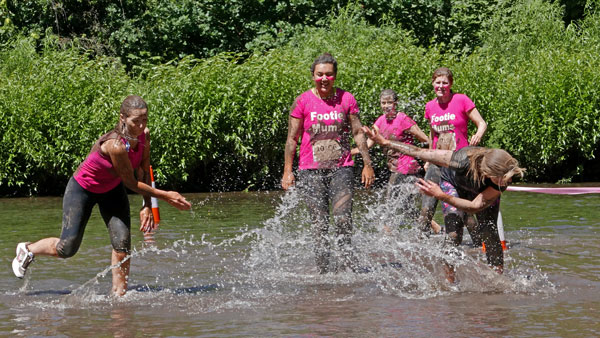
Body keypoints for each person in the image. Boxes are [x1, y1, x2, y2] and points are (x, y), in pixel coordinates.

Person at [11, 95, 192, 296]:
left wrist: (147, 204)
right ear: (122, 117)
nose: (141, 126)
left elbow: (142, 170)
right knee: (67, 248)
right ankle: (28, 249)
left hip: (111, 190)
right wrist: (166, 195)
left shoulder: (144, 136)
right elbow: (130, 182)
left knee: (122, 245)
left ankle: (119, 298)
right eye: (135, 121)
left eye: (144, 120)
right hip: (83, 189)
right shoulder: (115, 145)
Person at [362, 126, 525, 279]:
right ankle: (450, 280)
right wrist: (385, 142)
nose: (505, 182)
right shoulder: (461, 160)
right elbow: (420, 152)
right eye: (501, 178)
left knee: (489, 232)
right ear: (487, 171)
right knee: (453, 234)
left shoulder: (501, 178)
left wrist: (442, 197)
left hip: (478, 195)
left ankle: (496, 278)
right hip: (452, 183)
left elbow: (475, 207)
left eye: (507, 179)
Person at [281, 52, 375, 274]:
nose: (324, 79)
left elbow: (358, 133)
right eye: (319, 75)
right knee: (320, 223)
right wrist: (287, 171)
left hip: (341, 168)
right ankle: (324, 271)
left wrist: (367, 163)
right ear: (313, 75)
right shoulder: (302, 101)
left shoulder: (346, 99)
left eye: (329, 75)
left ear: (335, 76)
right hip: (310, 171)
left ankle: (346, 268)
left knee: (343, 218)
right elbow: (292, 138)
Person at [420, 67, 488, 238]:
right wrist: (428, 156)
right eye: (437, 82)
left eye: (445, 82)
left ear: (450, 84)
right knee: (426, 210)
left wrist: (477, 135)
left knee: (464, 211)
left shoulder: (461, 100)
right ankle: (421, 252)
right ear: (433, 83)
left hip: (459, 162)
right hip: (437, 162)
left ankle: (478, 242)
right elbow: (432, 134)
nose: (441, 86)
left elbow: (482, 123)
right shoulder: (430, 106)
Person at [351, 89, 428, 227]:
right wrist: (351, 152)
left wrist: (429, 161)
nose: (386, 106)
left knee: (389, 201)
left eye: (389, 103)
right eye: (383, 103)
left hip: (407, 165)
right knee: (406, 207)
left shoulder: (403, 119)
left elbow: (425, 139)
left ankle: (386, 235)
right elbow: (369, 144)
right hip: (394, 166)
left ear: (396, 103)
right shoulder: (380, 121)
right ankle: (434, 229)